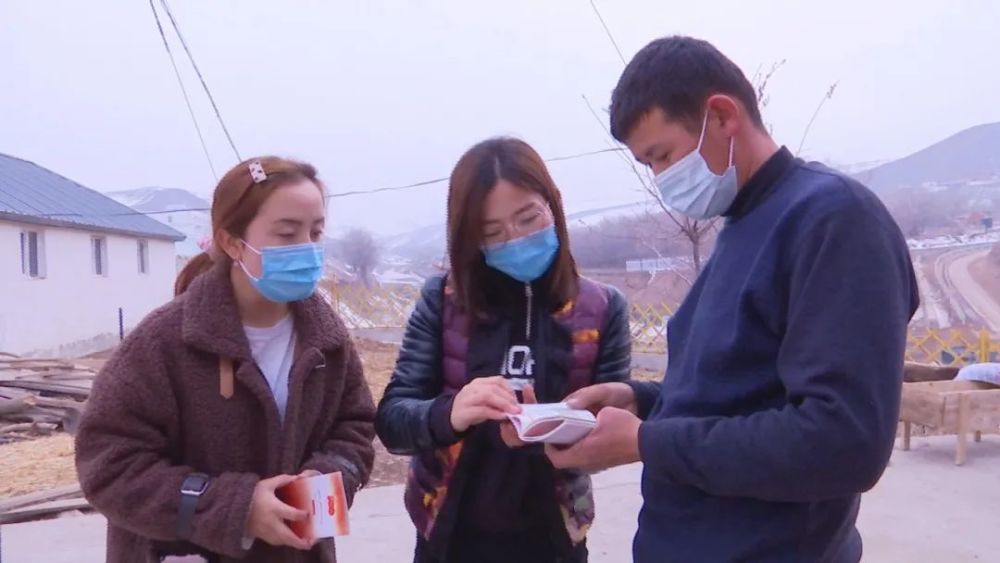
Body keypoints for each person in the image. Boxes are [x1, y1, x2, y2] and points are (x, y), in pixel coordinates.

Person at [545, 36, 919, 563]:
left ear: (722, 115)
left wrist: (645, 442)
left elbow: (843, 441)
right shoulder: (744, 222)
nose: (660, 180)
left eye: (663, 156)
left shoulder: (833, 220)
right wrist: (643, 402)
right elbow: (741, 388)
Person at [75, 157, 376, 562]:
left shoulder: (328, 340)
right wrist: (236, 508)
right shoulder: (164, 342)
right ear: (233, 241)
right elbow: (108, 465)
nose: (306, 248)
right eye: (287, 234)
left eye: (316, 232)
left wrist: (322, 480)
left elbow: (354, 428)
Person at [375, 137, 632, 563]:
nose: (515, 239)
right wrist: (451, 413)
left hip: (555, 536)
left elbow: (612, 429)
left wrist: (555, 430)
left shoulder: (603, 308)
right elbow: (393, 421)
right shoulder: (442, 301)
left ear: (553, 206)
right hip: (450, 534)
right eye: (491, 232)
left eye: (529, 218)